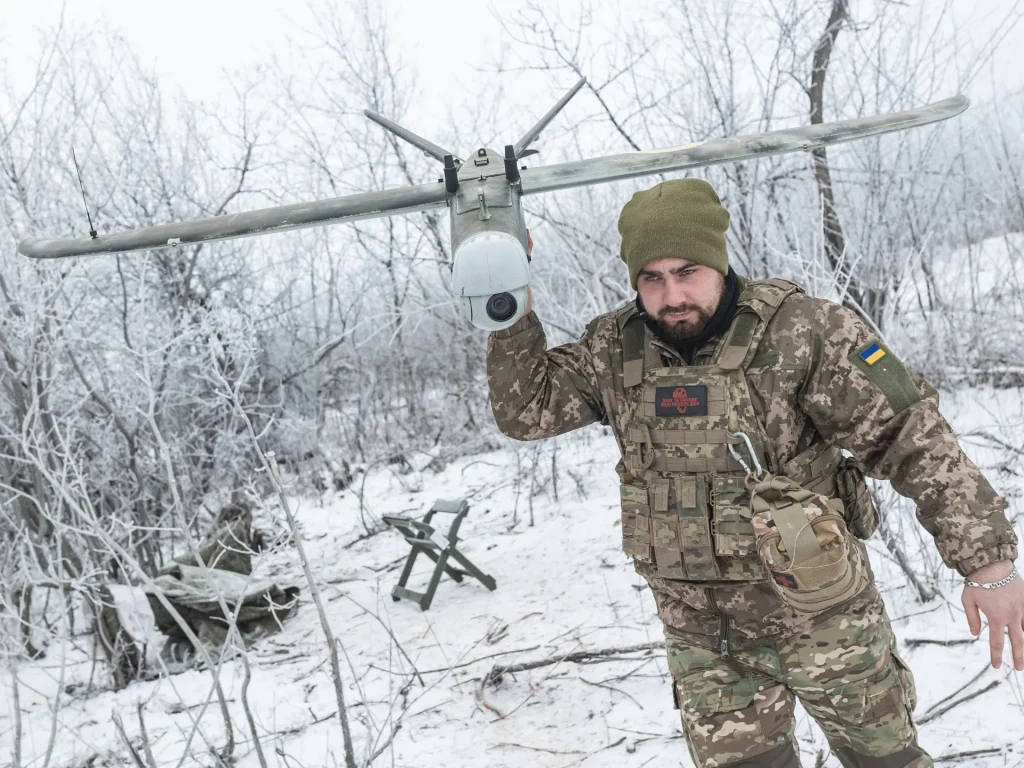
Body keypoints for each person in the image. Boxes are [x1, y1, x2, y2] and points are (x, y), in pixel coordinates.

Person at [485, 178, 1023, 768]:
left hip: (826, 620)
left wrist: (988, 565)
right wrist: (505, 291)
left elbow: (912, 436)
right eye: (652, 278)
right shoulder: (615, 348)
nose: (672, 296)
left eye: (687, 270)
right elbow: (527, 410)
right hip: (705, 641)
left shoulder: (806, 330)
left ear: (719, 261)